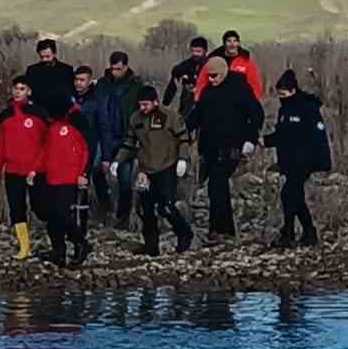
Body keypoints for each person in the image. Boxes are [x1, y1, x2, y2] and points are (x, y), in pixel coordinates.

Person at [187, 56, 264, 242]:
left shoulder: (240, 89)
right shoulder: (207, 92)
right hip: (210, 147)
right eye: (208, 76)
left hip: (233, 146)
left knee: (217, 182)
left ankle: (219, 229)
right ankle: (224, 229)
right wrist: (179, 132)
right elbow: (196, 116)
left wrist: (250, 138)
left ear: (223, 72)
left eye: (214, 76)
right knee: (215, 187)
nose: (211, 79)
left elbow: (256, 114)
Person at [118, 86, 194, 255]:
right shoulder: (135, 118)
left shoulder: (170, 116)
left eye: (146, 104)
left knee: (165, 207)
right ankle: (151, 246)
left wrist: (182, 159)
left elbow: (183, 139)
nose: (143, 108)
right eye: (140, 105)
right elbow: (129, 143)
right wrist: (118, 161)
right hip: (146, 170)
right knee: (146, 208)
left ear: (155, 102)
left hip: (167, 167)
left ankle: (184, 233)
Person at [262, 69, 330, 248]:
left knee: (289, 194)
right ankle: (306, 233)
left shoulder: (307, 108)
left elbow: (314, 137)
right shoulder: (285, 109)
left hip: (305, 161)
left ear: (292, 91)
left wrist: (318, 162)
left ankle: (290, 232)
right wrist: (265, 141)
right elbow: (284, 135)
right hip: (290, 161)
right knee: (295, 197)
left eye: (283, 94)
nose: (281, 97)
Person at [0, 75, 48, 260]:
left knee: (41, 207)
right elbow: (0, 144)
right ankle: (25, 248)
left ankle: (58, 237)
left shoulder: (39, 113)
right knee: (17, 208)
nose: (18, 92)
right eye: (16, 88)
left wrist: (41, 166)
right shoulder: (5, 115)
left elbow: (47, 143)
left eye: (22, 88)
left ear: (29, 92)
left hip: (35, 171)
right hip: (13, 170)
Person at [36, 102, 96, 268]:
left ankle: (81, 243)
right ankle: (58, 251)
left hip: (68, 178)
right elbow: (45, 153)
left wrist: (82, 174)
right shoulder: (51, 130)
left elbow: (85, 151)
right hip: (52, 177)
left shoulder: (73, 129)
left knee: (61, 213)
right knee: (52, 215)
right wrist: (35, 170)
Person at [98, 51, 146, 227]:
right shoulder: (103, 85)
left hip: (126, 137)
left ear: (125, 67)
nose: (115, 72)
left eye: (118, 69)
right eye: (113, 69)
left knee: (125, 179)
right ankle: (105, 210)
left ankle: (123, 216)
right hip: (106, 134)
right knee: (98, 172)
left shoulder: (135, 86)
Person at [73, 65, 110, 220]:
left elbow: (103, 127)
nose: (78, 83)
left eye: (82, 80)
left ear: (89, 81)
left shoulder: (96, 100)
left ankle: (104, 208)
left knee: (94, 172)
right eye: (76, 79)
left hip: (92, 143)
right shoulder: (70, 98)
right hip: (72, 144)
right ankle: (76, 210)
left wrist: (106, 155)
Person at [195, 29, 263, 100]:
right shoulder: (213, 61)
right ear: (224, 43)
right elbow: (202, 80)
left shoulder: (247, 62)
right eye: (229, 41)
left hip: (240, 101)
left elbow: (255, 84)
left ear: (238, 43)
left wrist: (254, 102)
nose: (232, 44)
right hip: (217, 100)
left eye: (235, 41)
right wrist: (198, 99)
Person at [24, 39, 76, 120]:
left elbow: (71, 91)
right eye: (42, 57)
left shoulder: (66, 70)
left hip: (61, 115)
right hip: (38, 115)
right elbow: (28, 93)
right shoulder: (32, 70)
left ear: (54, 54)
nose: (44, 60)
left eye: (48, 57)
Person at [163, 35, 210, 123]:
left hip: (206, 106)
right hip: (186, 106)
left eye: (198, 51)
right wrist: (166, 102)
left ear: (205, 51)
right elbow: (173, 83)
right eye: (193, 51)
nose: (195, 54)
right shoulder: (184, 66)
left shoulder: (211, 66)